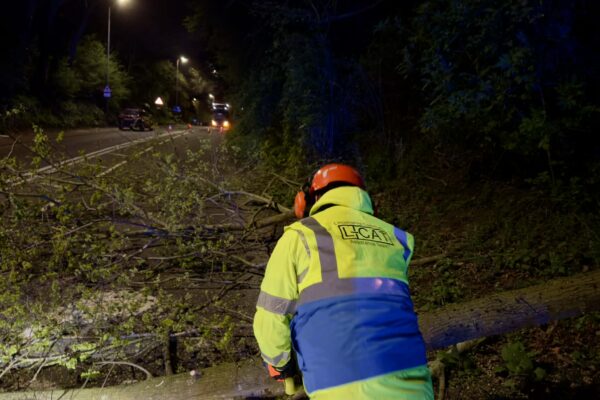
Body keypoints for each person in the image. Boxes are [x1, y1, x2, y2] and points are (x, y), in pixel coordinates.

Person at [253, 163, 433, 399]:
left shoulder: (300, 236)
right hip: (414, 382)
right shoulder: (396, 239)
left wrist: (280, 365)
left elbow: (271, 316)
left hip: (340, 386)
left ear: (306, 200)